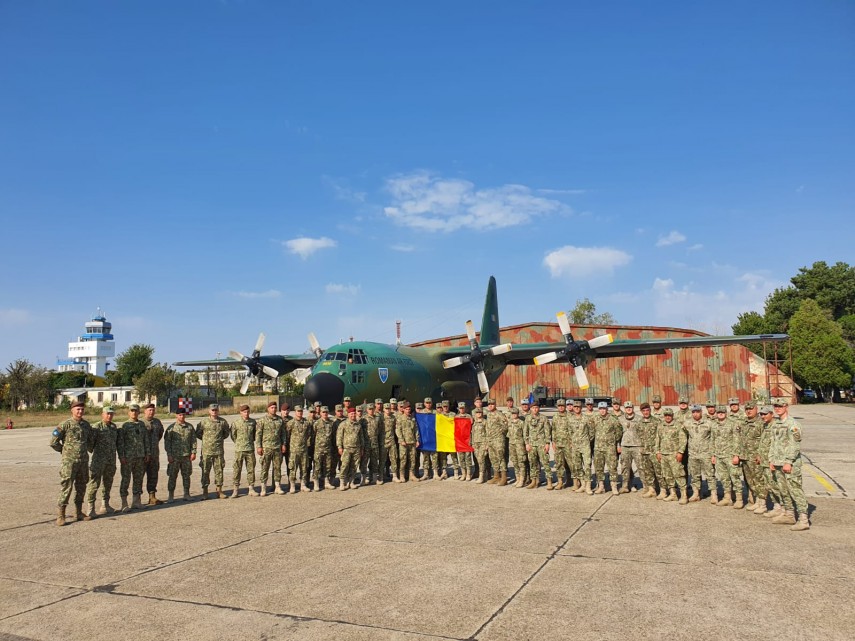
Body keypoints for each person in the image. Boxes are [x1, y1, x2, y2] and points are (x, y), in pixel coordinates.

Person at [769, 400, 810, 530]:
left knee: (795, 490)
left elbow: (795, 445)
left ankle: (803, 519)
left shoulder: (793, 424)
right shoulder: (776, 424)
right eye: (776, 406)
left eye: (781, 406)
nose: (778, 408)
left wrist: (788, 461)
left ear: (786, 407)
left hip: (790, 464)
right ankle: (789, 514)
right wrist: (772, 460)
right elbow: (773, 443)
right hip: (777, 462)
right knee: (783, 490)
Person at [50, 400, 93, 525]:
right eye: (77, 409)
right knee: (66, 487)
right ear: (72, 410)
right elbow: (53, 442)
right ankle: (61, 514)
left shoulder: (86, 425)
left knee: (81, 486)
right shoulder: (65, 425)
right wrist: (64, 452)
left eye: (82, 409)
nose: (80, 411)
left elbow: (89, 440)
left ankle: (78, 512)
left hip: (83, 461)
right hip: (69, 462)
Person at [85, 405, 119, 517]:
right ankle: (90, 507)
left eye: (111, 414)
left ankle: (105, 505)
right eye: (107, 414)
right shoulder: (96, 427)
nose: (109, 416)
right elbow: (90, 445)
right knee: (94, 484)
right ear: (102, 414)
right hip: (98, 460)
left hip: (110, 460)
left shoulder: (114, 427)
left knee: (108, 483)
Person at [118, 404, 150, 512]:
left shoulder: (142, 425)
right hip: (128, 457)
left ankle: (136, 501)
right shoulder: (125, 425)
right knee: (126, 479)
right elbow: (121, 443)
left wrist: (147, 453)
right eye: (132, 411)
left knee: (138, 479)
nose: (134, 413)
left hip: (140, 456)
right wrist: (121, 456)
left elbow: (146, 440)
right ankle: (124, 503)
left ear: (139, 413)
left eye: (136, 411)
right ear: (128, 412)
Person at [195, 404, 230, 499]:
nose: (214, 411)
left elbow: (226, 434)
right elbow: (198, 433)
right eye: (212, 410)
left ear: (218, 411)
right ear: (209, 411)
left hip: (218, 451)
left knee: (219, 471)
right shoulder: (203, 422)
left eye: (216, 410)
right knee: (205, 471)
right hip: (206, 451)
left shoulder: (223, 422)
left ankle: (219, 490)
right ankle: (205, 491)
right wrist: (207, 441)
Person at [655, 408, 688, 504]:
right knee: (668, 476)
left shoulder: (678, 425)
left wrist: (680, 452)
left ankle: (684, 495)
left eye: (669, 415)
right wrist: (657, 452)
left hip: (674, 454)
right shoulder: (661, 425)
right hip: (664, 455)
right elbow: (657, 439)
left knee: (679, 475)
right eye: (666, 415)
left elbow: (683, 440)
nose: (668, 417)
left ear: (672, 415)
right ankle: (673, 494)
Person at [164, 407, 196, 502]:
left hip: (186, 456)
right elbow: (167, 443)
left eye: (183, 415)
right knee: (172, 476)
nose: (182, 417)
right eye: (180, 415)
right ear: (176, 416)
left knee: (186, 476)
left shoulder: (190, 427)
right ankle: (171, 495)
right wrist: (169, 455)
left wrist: (193, 452)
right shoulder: (171, 428)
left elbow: (193, 440)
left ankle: (186, 494)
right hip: (175, 457)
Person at [256, 400, 286, 495]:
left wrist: (283, 444)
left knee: (277, 468)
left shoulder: (280, 420)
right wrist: (259, 446)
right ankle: (263, 488)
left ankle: (277, 486)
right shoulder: (262, 420)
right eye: (272, 408)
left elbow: (283, 434)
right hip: (266, 448)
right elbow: (258, 435)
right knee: (265, 468)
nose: (274, 409)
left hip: (277, 447)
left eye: (275, 408)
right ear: (268, 409)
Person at [685, 404, 715, 502]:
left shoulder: (709, 423)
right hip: (693, 454)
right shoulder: (687, 424)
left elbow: (713, 438)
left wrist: (713, 453)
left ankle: (714, 494)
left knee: (710, 475)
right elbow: (682, 435)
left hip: (706, 453)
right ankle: (696, 493)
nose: (695, 414)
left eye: (697, 412)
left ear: (701, 412)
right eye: (693, 412)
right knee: (695, 475)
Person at [592, 401, 622, 495]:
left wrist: (613, 442)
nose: (602, 411)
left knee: (612, 467)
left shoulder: (613, 419)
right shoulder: (595, 419)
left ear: (607, 409)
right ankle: (601, 486)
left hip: (610, 448)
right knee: (598, 468)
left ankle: (614, 486)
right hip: (598, 448)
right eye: (600, 409)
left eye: (604, 409)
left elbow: (619, 432)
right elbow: (592, 431)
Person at [230, 404, 257, 498]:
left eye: (248, 411)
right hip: (239, 450)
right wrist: (239, 443)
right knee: (237, 470)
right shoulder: (236, 423)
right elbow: (233, 435)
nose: (246, 413)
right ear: (240, 413)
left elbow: (254, 435)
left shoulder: (253, 422)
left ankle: (251, 488)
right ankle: (236, 490)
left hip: (250, 449)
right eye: (244, 412)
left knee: (251, 470)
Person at [141, 403, 165, 506]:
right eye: (149, 410)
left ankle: (152, 497)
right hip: (142, 454)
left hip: (154, 454)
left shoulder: (157, 422)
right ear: (145, 411)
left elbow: (160, 434)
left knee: (153, 475)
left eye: (153, 410)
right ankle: (136, 498)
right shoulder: (140, 423)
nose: (152, 412)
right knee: (139, 476)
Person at [524, 402, 552, 489]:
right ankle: (534, 481)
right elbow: (525, 432)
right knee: (533, 463)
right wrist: (527, 443)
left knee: (545, 463)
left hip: (541, 444)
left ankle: (549, 482)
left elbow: (547, 431)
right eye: (533, 408)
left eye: (536, 408)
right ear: (530, 409)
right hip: (532, 444)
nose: (535, 409)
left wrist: (547, 443)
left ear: (538, 408)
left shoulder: (543, 418)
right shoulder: (528, 418)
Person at [568, 400, 593, 494]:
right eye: (575, 407)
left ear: (581, 408)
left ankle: (588, 485)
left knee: (587, 465)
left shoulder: (586, 418)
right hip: (575, 446)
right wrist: (573, 441)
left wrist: (586, 441)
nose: (577, 408)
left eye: (578, 407)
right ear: (573, 408)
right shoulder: (570, 419)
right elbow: (570, 432)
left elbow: (591, 432)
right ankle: (582, 484)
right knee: (577, 465)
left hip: (585, 445)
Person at [337, 407, 365, 490]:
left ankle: (351, 482)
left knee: (354, 466)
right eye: (351, 414)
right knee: (345, 465)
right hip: (347, 448)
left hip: (356, 448)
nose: (353, 415)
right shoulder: (343, 424)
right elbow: (339, 436)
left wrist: (362, 448)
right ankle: (342, 482)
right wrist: (339, 447)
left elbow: (361, 437)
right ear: (348, 415)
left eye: (354, 413)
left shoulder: (358, 425)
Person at [287, 405, 313, 492]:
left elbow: (309, 435)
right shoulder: (291, 423)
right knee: (293, 468)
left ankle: (303, 485)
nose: (300, 413)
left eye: (301, 411)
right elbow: (287, 435)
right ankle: (292, 486)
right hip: (294, 450)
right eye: (298, 411)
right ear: (295, 412)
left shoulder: (306, 423)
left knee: (304, 468)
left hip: (304, 450)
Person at [618, 401, 642, 493]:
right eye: (627, 408)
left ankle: (646, 486)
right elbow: (617, 434)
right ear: (624, 409)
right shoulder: (620, 419)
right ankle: (625, 485)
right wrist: (618, 445)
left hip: (637, 446)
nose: (629, 409)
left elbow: (642, 433)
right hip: (624, 446)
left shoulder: (639, 419)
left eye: (630, 407)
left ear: (633, 408)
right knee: (625, 467)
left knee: (641, 467)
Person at [485, 398, 508, 485]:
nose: (490, 406)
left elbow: (506, 425)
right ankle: (496, 476)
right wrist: (487, 440)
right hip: (490, 440)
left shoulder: (499, 414)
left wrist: (500, 433)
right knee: (493, 458)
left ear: (495, 405)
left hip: (498, 439)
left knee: (500, 457)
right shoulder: (489, 415)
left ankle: (504, 477)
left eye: (492, 404)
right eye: (489, 404)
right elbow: (487, 428)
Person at [550, 399, 572, 490]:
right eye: (559, 406)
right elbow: (553, 430)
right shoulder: (555, 417)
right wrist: (553, 442)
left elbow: (572, 430)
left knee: (571, 464)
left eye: (562, 406)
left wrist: (571, 442)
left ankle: (573, 481)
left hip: (568, 444)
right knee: (559, 463)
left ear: (565, 406)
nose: (561, 407)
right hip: (558, 444)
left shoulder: (570, 416)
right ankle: (560, 482)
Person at [396, 401, 419, 482]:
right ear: (403, 410)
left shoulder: (412, 419)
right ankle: (402, 475)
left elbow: (415, 430)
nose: (408, 410)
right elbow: (398, 430)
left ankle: (411, 475)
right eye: (406, 409)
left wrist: (417, 440)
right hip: (404, 443)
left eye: (409, 409)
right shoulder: (400, 419)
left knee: (412, 460)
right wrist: (401, 440)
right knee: (403, 460)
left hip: (412, 442)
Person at [313, 406, 335, 490]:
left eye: (326, 412)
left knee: (327, 466)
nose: (325, 413)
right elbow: (313, 435)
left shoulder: (331, 423)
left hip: (328, 448)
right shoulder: (317, 423)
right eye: (323, 412)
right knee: (317, 466)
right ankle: (316, 483)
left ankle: (326, 482)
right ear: (320, 413)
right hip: (319, 449)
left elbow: (333, 436)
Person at [379, 402, 399, 483]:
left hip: (391, 441)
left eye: (389, 409)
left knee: (394, 458)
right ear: (383, 409)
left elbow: (395, 428)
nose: (388, 410)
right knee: (382, 459)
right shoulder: (380, 418)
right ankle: (380, 476)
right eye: (386, 409)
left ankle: (394, 476)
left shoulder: (393, 417)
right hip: (383, 441)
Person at [506, 408, 527, 487]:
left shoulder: (521, 423)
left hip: (520, 444)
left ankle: (522, 479)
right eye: (512, 414)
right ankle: (517, 478)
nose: (514, 415)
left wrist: (525, 444)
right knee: (514, 462)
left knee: (521, 462)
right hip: (512, 444)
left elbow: (525, 435)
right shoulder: (510, 423)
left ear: (518, 414)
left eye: (515, 413)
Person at [454, 402, 472, 481]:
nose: (462, 409)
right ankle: (463, 473)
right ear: (458, 409)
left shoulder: (469, 416)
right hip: (460, 440)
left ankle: (468, 474)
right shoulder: (456, 417)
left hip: (467, 440)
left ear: (465, 408)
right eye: (460, 408)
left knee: (467, 458)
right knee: (461, 458)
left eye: (463, 408)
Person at [471, 407, 489, 483]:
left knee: (481, 459)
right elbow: (473, 433)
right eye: (477, 413)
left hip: (482, 443)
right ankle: (483, 475)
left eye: (480, 413)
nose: (479, 414)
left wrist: (487, 444)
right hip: (475, 443)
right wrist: (472, 443)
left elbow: (488, 433)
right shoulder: (474, 423)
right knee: (478, 459)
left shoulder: (485, 422)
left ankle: (481, 476)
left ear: (482, 413)